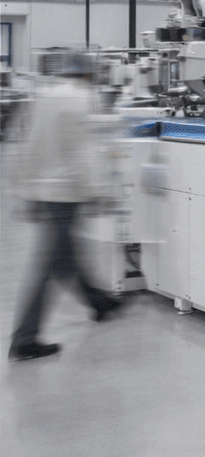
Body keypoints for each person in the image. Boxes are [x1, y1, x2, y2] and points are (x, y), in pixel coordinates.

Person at [9, 51, 121, 361]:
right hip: (65, 191)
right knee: (50, 262)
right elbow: (82, 152)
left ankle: (99, 301)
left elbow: (28, 144)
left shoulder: (45, 95)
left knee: (65, 254)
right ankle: (25, 338)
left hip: (44, 188)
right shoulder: (81, 98)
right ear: (89, 74)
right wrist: (98, 191)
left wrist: (25, 189)